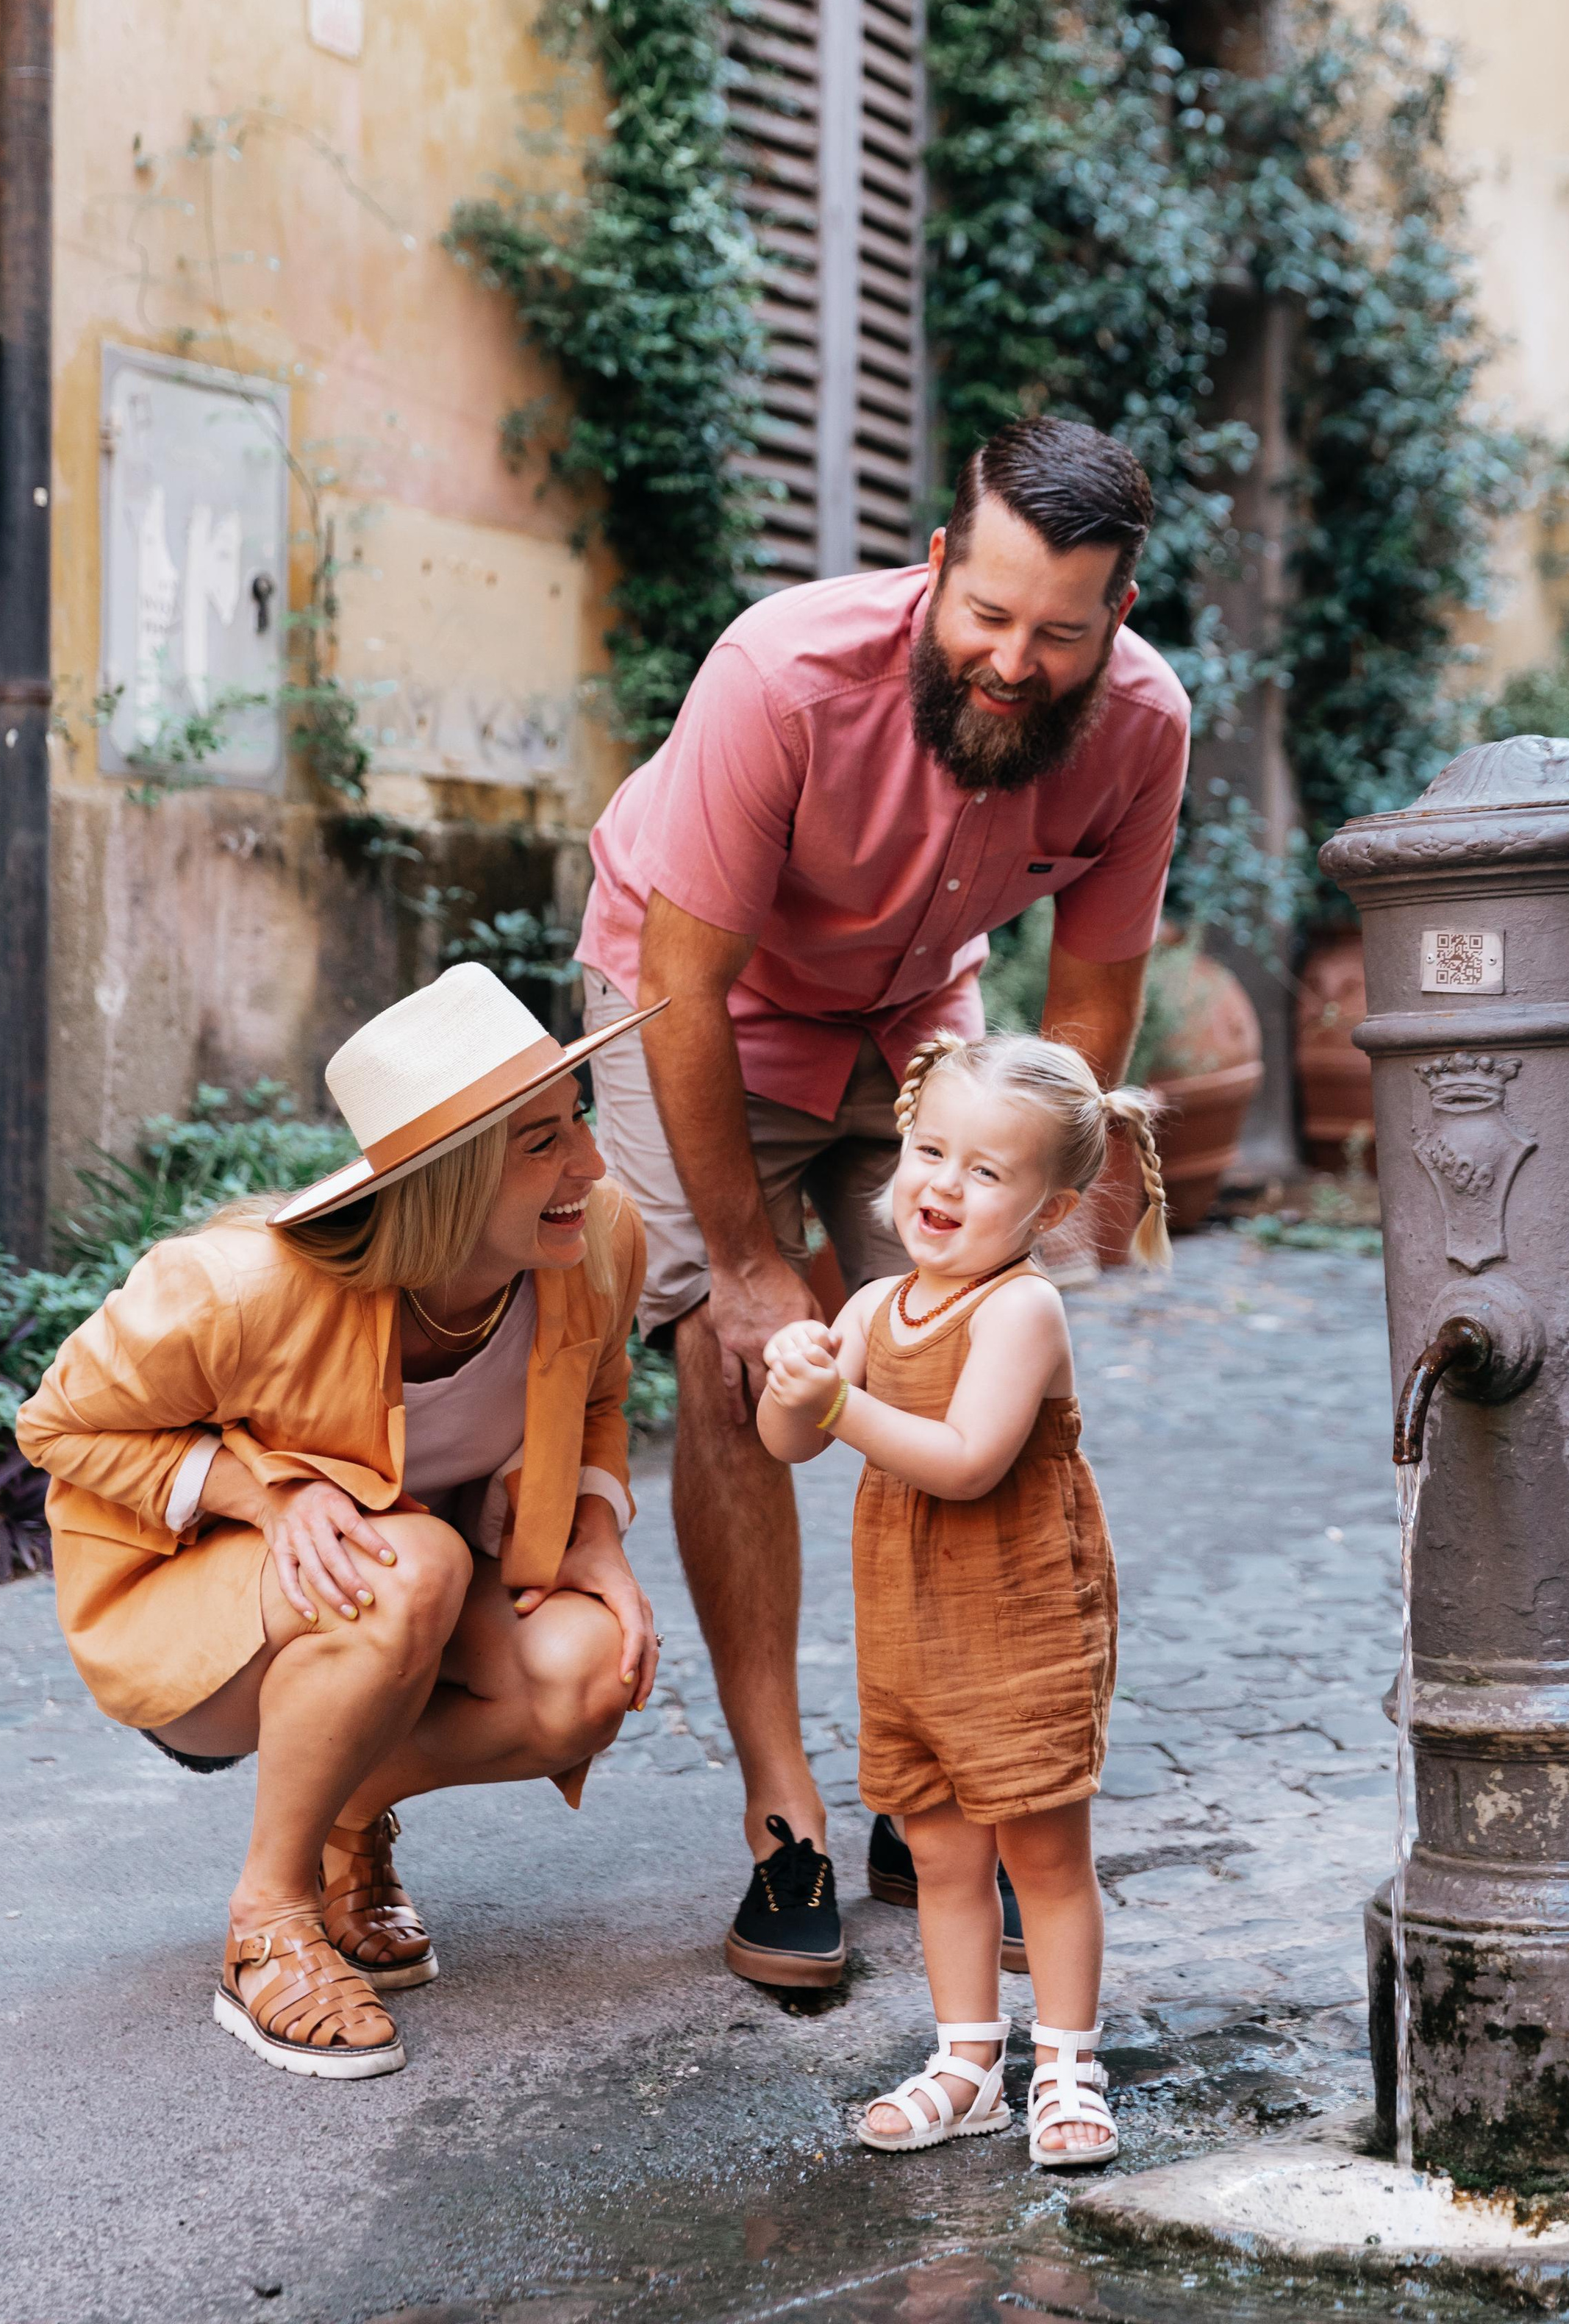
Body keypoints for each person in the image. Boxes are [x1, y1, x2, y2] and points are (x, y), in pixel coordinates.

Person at [577, 416, 1190, 1982]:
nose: (1009, 661)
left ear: (1114, 619)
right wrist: (741, 1264)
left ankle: (939, 1781)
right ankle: (781, 1808)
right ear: (934, 568)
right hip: (709, 1011)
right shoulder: (779, 672)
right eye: (984, 616)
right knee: (745, 1359)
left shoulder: (1138, 722)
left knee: (963, 1350)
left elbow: (1086, 1014)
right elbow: (681, 985)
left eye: (1057, 634)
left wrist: (1025, 1231)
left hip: (926, 1018)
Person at [16, 964, 665, 2080]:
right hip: (213, 1634)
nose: (591, 1164)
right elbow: (59, 1426)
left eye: (582, 1123)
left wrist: (596, 1528)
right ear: (448, 1179)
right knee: (406, 1558)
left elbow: (599, 1395)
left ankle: (346, 1804)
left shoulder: (596, 1241)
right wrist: (262, 1492)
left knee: (587, 1675)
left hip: (413, 1589)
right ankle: (266, 1927)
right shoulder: (234, 1289)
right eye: (543, 1142)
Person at [757, 1029, 1168, 2164]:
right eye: (931, 1150)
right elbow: (785, 1446)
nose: (945, 1184)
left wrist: (837, 1410)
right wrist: (797, 1385)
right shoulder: (876, 1304)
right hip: (910, 1626)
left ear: (1048, 1209)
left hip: (1024, 1618)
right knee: (939, 1850)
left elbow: (968, 1458)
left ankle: (1069, 2062)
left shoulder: (1021, 1310)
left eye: (987, 1171)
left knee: (1042, 1853)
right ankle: (967, 2061)